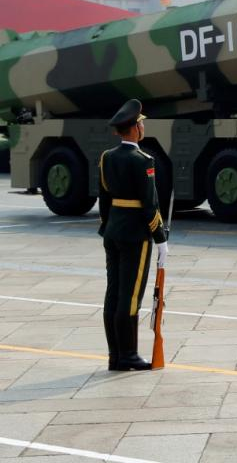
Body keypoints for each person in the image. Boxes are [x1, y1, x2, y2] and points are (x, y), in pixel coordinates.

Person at [98, 99, 168, 371]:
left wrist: (107, 227)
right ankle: (128, 355)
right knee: (131, 296)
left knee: (113, 293)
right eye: (141, 123)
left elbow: (104, 199)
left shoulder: (107, 157)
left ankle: (115, 355)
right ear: (136, 128)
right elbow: (150, 204)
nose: (143, 127)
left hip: (113, 231)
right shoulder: (143, 161)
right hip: (135, 235)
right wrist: (160, 237)